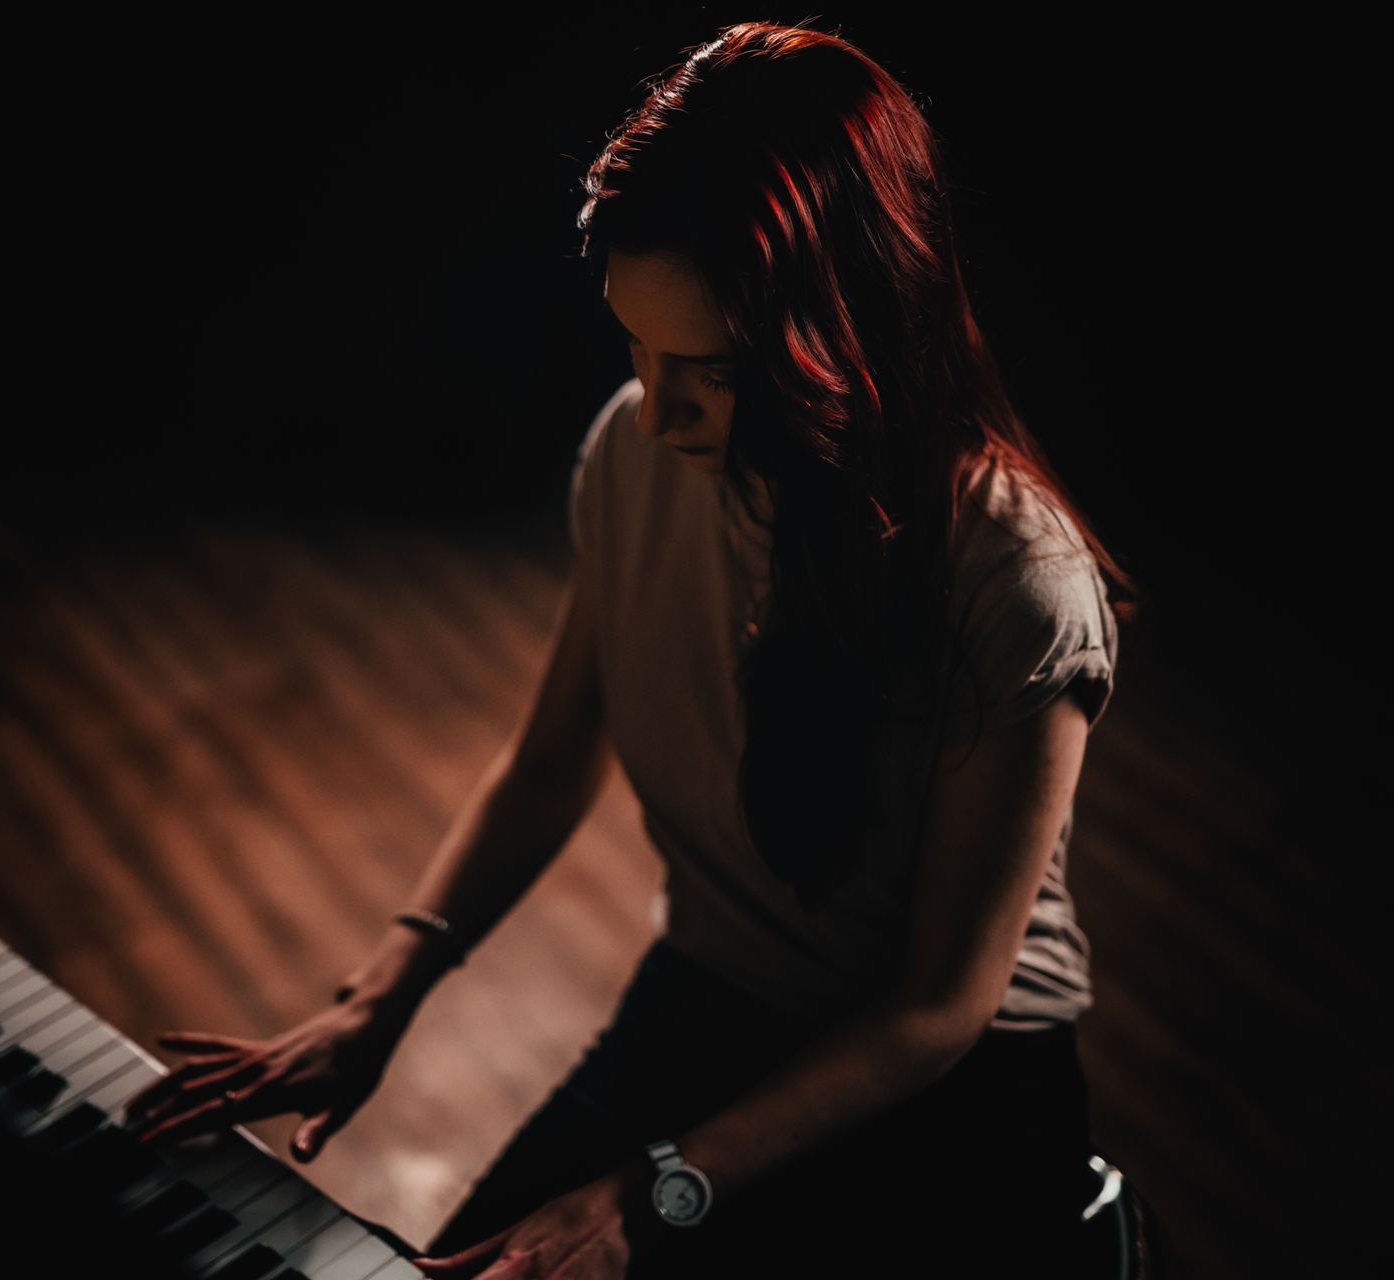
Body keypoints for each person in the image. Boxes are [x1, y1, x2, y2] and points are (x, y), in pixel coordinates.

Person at [120, 20, 1140, 1279]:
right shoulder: (637, 450)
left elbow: (936, 1007)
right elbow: (551, 762)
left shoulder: (1018, 581)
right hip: (716, 994)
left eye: (708, 370)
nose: (658, 413)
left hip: (948, 1094)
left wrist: (650, 1194)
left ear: (847, 327)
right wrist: (379, 993)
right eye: (636, 351)